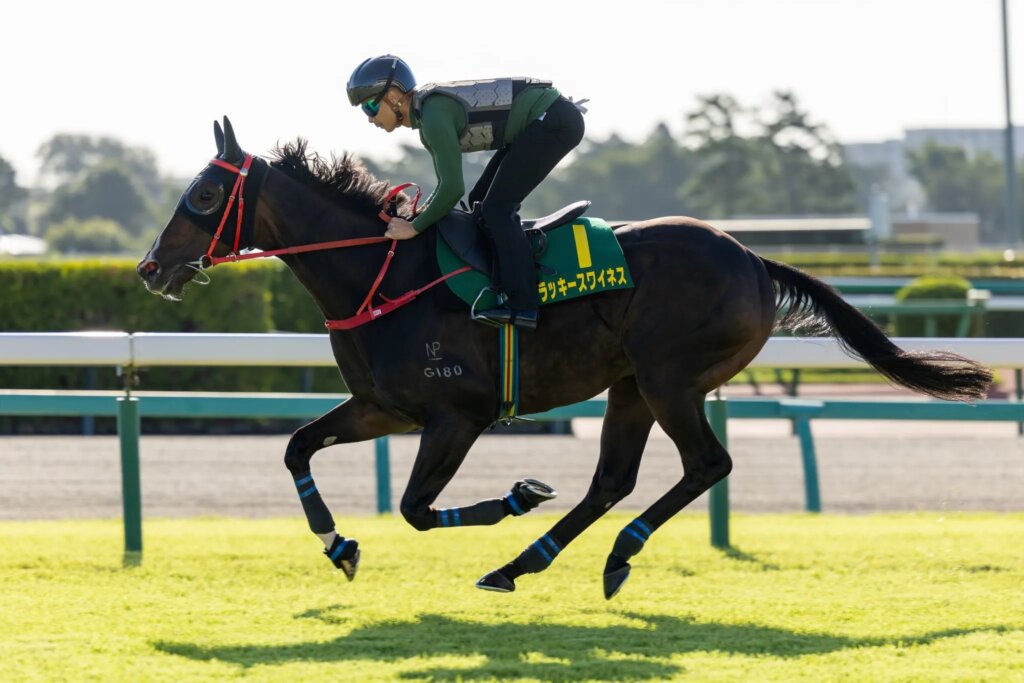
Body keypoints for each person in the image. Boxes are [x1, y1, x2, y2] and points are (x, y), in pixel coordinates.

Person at [346, 55, 586, 330]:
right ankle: (501, 282)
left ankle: (524, 305)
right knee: (479, 202)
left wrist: (414, 227)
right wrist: (419, 217)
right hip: (543, 120)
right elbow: (445, 188)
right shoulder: (427, 118)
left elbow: (452, 189)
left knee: (497, 210)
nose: (370, 118)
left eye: (370, 106)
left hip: (554, 121)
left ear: (393, 96)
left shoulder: (433, 116)